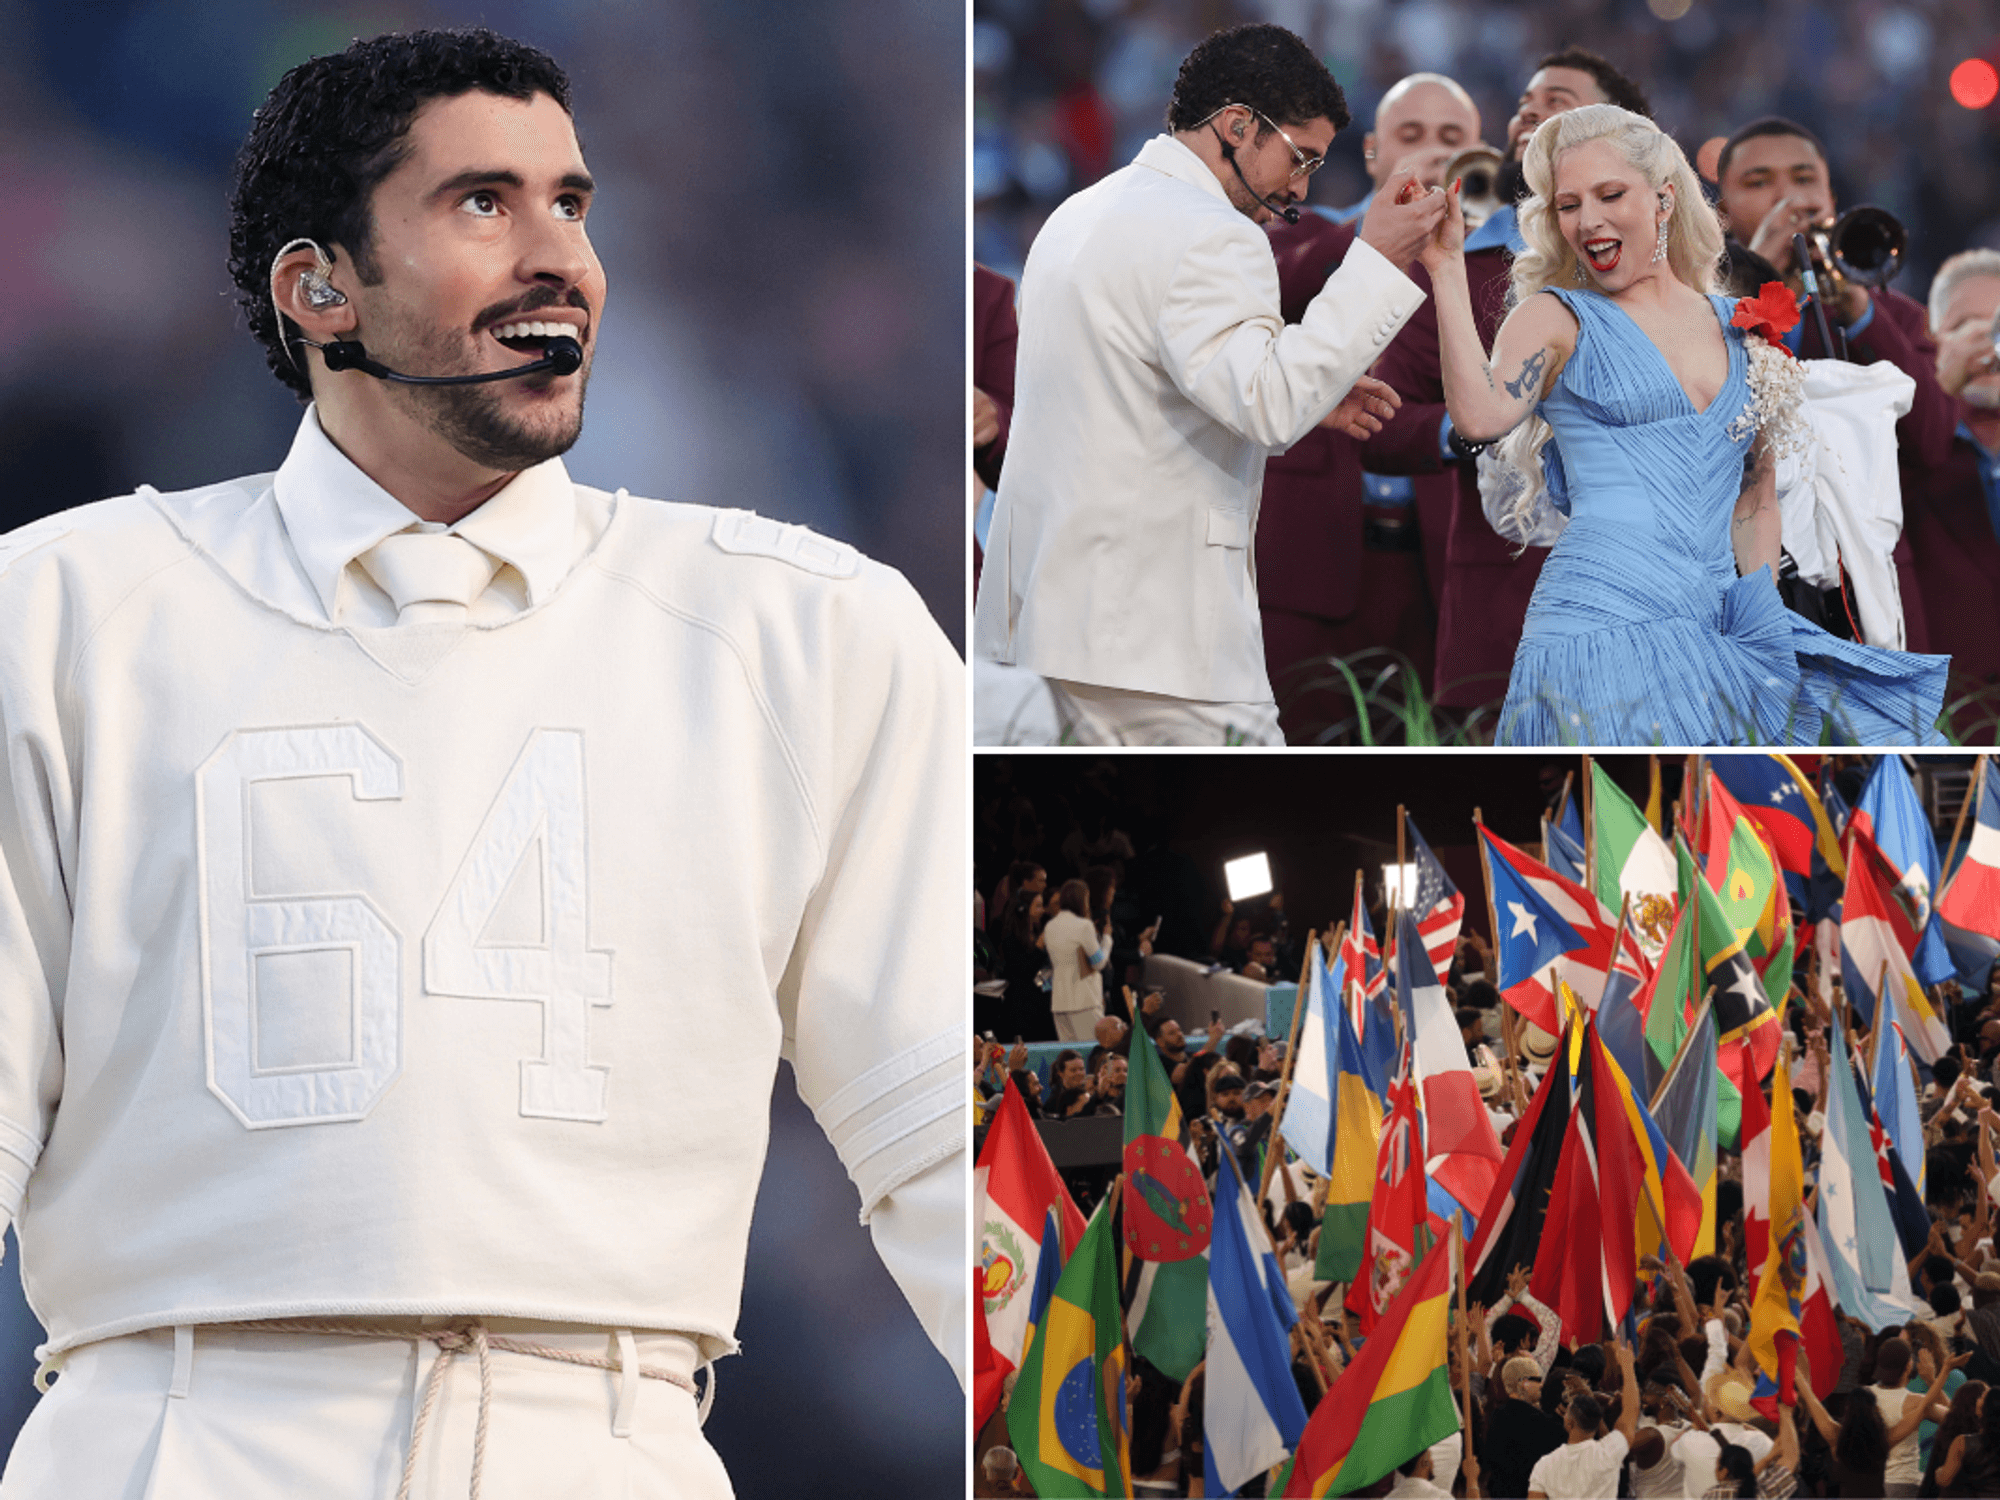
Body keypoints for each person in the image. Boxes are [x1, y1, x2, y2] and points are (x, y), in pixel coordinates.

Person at [0, 30, 963, 1499]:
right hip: (175, 1430)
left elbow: (953, 1145)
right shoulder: (64, 610)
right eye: (481, 207)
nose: (558, 257)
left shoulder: (810, 627)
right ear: (318, 288)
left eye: (571, 206)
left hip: (608, 1433)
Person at [971, 22, 1445, 746]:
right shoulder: (1215, 234)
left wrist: (1308, 387)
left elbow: (1143, 377)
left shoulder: (1078, 214)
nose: (1304, 186)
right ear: (1235, 125)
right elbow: (1271, 406)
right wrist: (1378, 257)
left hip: (1050, 617)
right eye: (1300, 156)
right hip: (1164, 634)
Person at [1418, 102, 1948, 744]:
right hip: (1599, 626)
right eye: (1568, 205)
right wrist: (1446, 269)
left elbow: (1755, 499)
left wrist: (1765, 632)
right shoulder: (1554, 316)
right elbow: (1478, 415)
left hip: (1722, 626)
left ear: (1665, 199)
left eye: (1610, 194)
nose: (1589, 220)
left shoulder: (1741, 325)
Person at [1366, 48, 1652, 717]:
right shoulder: (1452, 265)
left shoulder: (1670, 278)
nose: (1532, 114)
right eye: (1526, 106)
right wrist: (1473, 429)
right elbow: (1385, 422)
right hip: (1504, 603)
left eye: (1558, 102)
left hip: (1646, 597)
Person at [1254, 71, 1481, 733]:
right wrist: (1379, 240)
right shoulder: (1306, 238)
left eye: (1450, 138)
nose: (1432, 152)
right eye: (1412, 136)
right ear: (1376, 151)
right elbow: (1270, 288)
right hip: (1309, 559)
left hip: (1436, 565)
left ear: (1478, 153)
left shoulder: (1495, 266)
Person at [1900, 249, 2000, 731]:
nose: (1987, 342)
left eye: (1998, 324)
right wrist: (1938, 383)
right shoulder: (1902, 451)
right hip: (1951, 727)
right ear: (1934, 343)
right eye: (1965, 325)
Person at [1528, 1342, 1640, 1498]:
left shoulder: (1544, 1465)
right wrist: (1628, 1368)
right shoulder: (1607, 1453)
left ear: (1568, 1421)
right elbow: (1631, 1412)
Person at [1043, 879, 1108, 1042]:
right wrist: (1107, 940)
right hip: (1084, 1001)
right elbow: (1099, 962)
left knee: (1070, 1058)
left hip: (1059, 1002)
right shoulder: (1084, 926)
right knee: (1092, 1053)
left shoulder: (1050, 926)